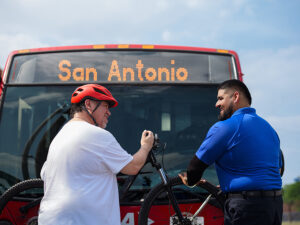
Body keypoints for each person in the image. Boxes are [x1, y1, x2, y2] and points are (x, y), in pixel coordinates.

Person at [38, 84, 154, 225]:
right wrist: (145, 147)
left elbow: (48, 174)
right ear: (89, 104)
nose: (109, 112)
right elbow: (133, 167)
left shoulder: (59, 137)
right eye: (105, 106)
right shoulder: (96, 135)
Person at [179, 79, 282, 225]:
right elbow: (277, 169)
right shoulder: (270, 129)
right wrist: (234, 182)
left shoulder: (225, 127)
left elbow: (195, 167)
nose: (217, 104)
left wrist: (190, 179)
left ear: (235, 97)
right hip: (274, 206)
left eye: (221, 98)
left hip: (246, 207)